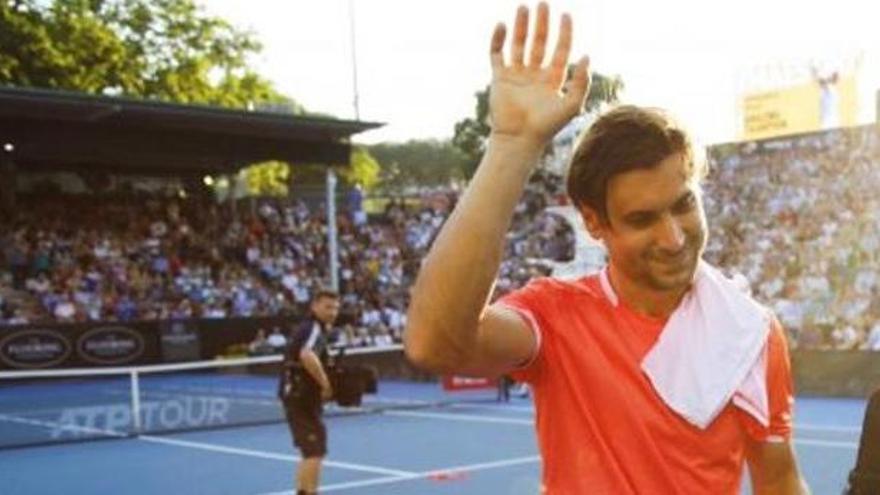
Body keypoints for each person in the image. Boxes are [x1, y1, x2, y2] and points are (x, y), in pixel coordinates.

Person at [404, 3, 809, 493]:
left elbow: (781, 482)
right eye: (642, 220)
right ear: (595, 224)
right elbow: (433, 344)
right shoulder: (556, 316)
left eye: (683, 204)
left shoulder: (748, 330)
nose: (674, 238)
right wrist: (512, 143)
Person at [278, 289, 340, 495]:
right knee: (314, 451)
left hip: (303, 397)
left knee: (312, 451)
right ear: (314, 306)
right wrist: (325, 384)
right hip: (299, 397)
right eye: (327, 307)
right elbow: (306, 355)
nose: (333, 312)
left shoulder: (318, 330)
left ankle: (306, 491)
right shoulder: (312, 327)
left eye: (336, 308)